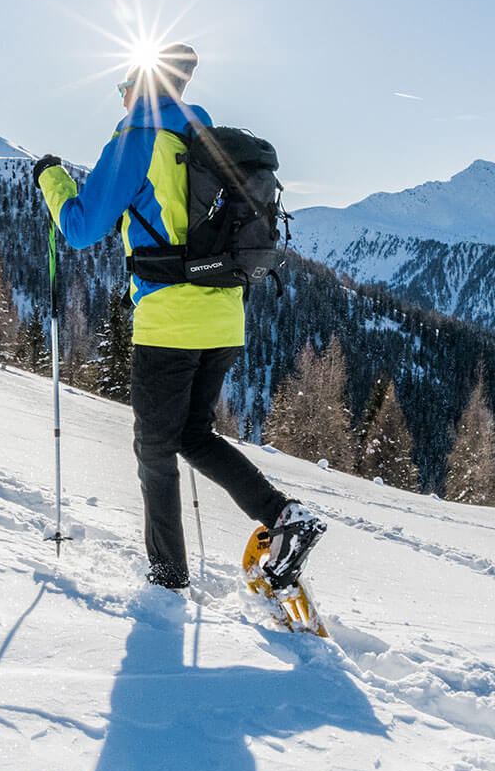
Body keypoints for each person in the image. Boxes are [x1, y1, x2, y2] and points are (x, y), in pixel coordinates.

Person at [31, 44, 325, 591]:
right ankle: (283, 517)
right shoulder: (206, 141)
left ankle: (167, 580)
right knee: (193, 433)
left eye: (124, 88)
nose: (120, 97)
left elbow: (80, 227)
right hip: (226, 316)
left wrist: (51, 177)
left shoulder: (137, 139)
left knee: (155, 450)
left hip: (169, 321)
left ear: (140, 91)